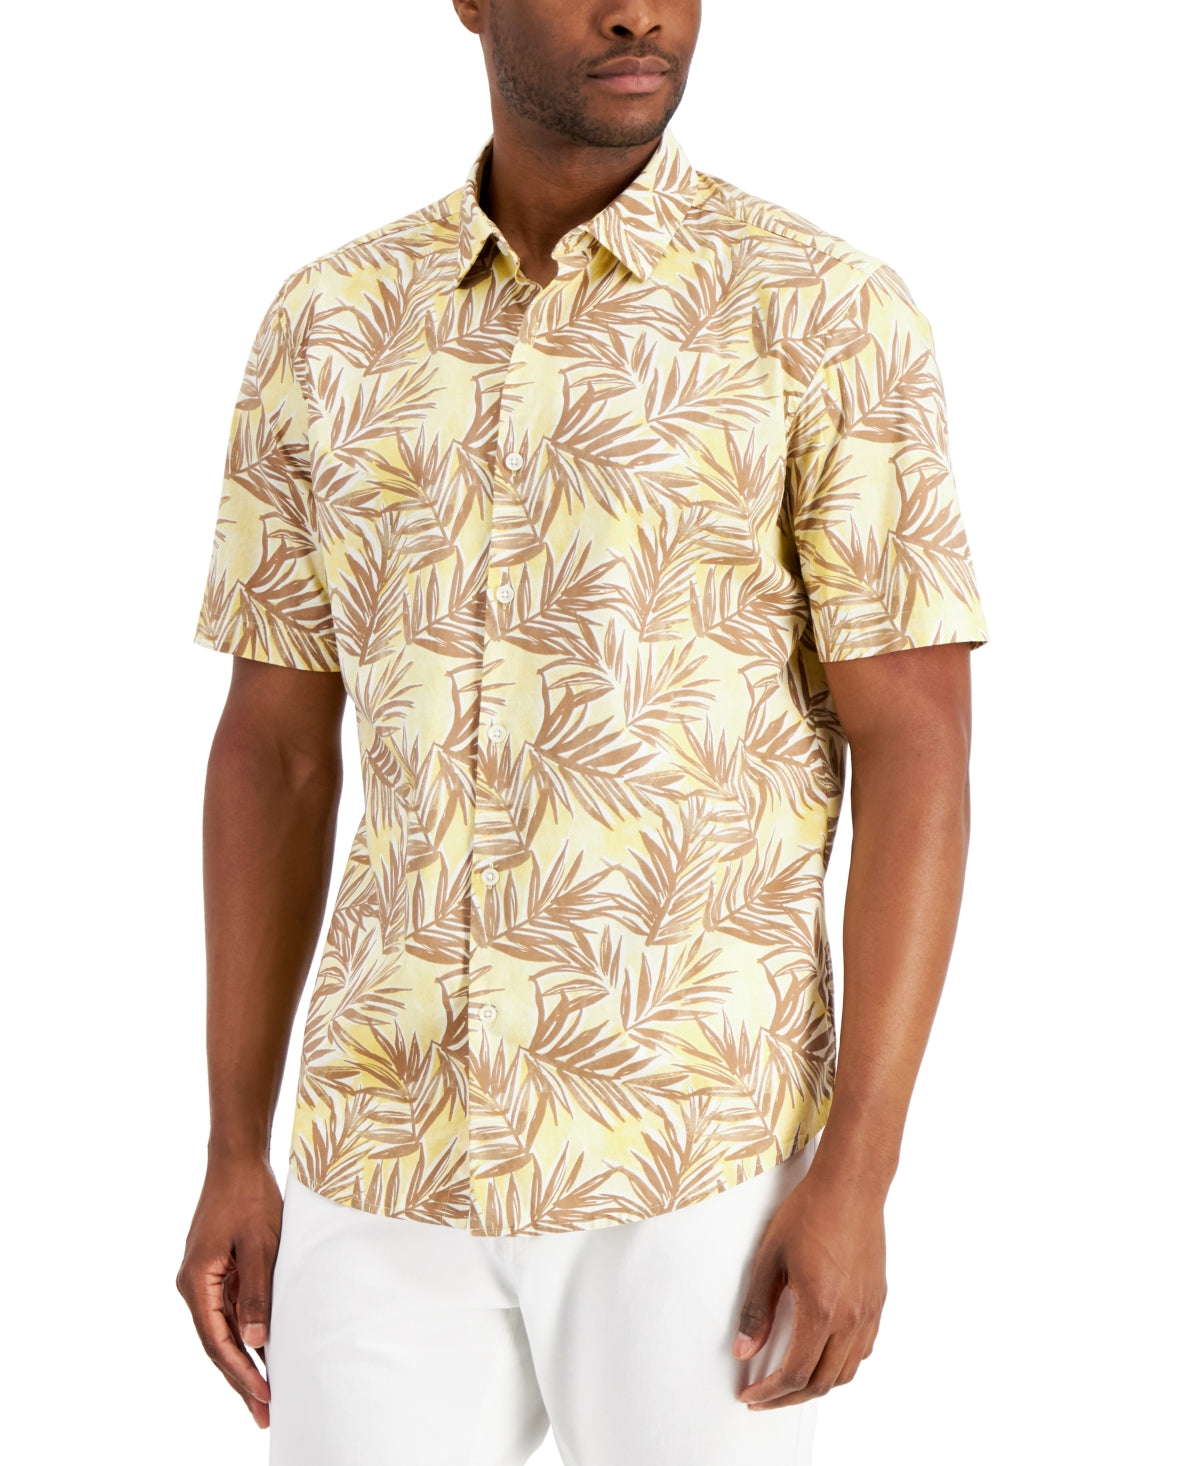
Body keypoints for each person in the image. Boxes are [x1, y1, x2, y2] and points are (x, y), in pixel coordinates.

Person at [176, 2, 989, 1462]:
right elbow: (274, 751)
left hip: (697, 1152)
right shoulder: (330, 323)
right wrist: (237, 1143)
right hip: (383, 1147)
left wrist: (858, 1172)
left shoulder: (821, 311)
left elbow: (917, 747)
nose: (640, 11)